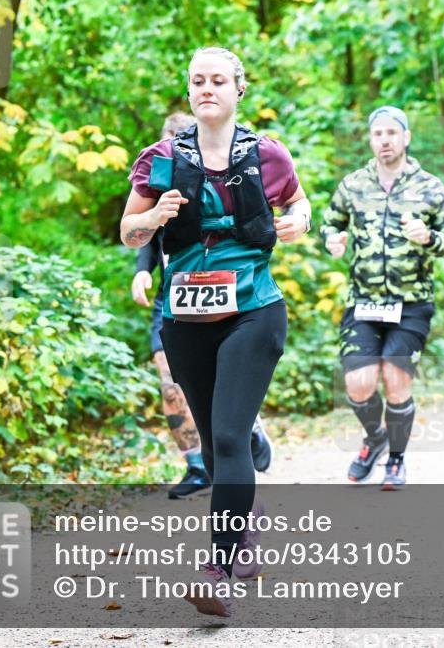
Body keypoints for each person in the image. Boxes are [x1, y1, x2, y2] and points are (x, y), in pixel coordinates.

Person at [120, 47, 311, 617]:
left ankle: (216, 572)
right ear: (189, 90)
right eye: (198, 80)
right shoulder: (159, 159)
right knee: (217, 442)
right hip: (185, 321)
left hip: (254, 310)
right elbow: (129, 231)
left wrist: (299, 221)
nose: (208, 88)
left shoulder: (268, 154)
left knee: (226, 439)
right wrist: (153, 217)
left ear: (238, 90)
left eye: (219, 80)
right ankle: (243, 521)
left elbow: (300, 204)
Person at [132, 114, 273, 501]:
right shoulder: (159, 173)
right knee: (170, 385)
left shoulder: (226, 170)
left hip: (227, 291)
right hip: (174, 298)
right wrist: (142, 271)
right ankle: (196, 465)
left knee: (223, 391)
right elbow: (147, 232)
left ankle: (245, 428)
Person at [321, 106, 444, 490]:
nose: (384, 140)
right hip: (363, 301)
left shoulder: (430, 187)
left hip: (411, 302)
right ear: (371, 140)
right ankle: (375, 438)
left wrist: (429, 238)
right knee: (359, 383)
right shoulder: (353, 185)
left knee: (396, 381)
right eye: (378, 134)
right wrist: (332, 240)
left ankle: (396, 459)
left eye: (391, 133)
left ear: (406, 138)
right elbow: (330, 222)